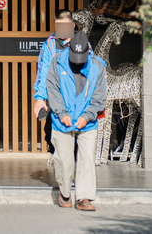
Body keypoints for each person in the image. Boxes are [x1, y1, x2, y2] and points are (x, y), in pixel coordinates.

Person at [47, 30, 107, 212]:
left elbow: (99, 98)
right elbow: (52, 88)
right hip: (62, 120)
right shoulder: (57, 62)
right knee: (65, 160)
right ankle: (65, 192)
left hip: (86, 122)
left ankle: (84, 197)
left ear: (89, 50)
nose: (78, 61)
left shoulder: (98, 66)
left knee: (86, 158)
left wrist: (86, 116)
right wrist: (61, 112)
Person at [33, 10, 74, 158]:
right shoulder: (50, 45)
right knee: (52, 134)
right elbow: (43, 71)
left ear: (73, 25)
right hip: (56, 98)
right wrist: (39, 98)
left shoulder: (82, 43)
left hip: (77, 99)